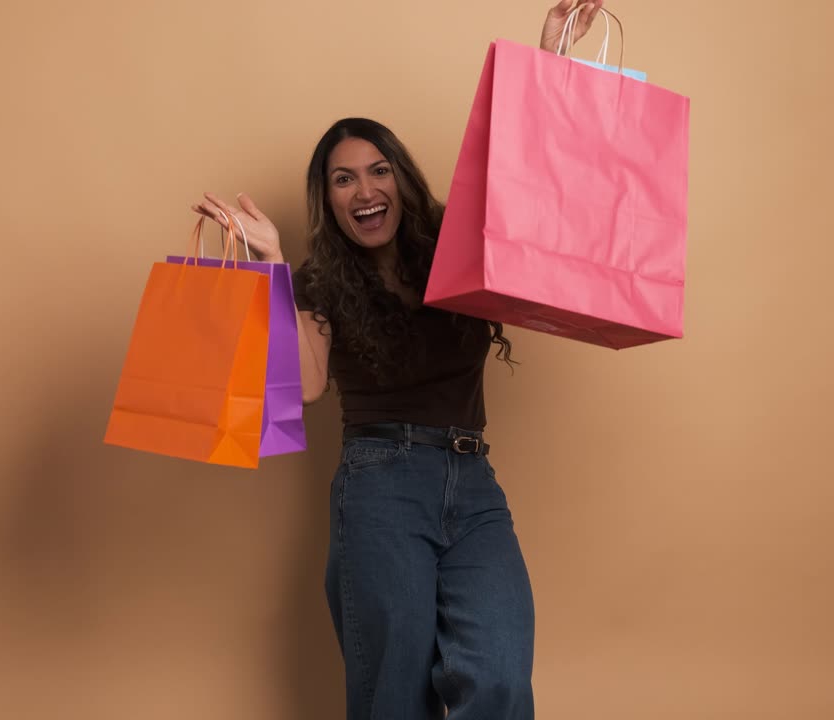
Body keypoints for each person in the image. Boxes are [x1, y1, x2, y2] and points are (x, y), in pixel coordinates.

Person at [192, 3, 605, 716]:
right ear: (329, 198)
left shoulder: (457, 247)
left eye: (377, 170)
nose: (364, 190)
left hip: (474, 484)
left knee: (500, 680)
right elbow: (310, 386)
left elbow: (527, 191)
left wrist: (551, 61)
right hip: (380, 487)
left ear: (401, 179)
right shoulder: (321, 279)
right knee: (395, 697)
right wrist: (270, 265)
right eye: (343, 179)